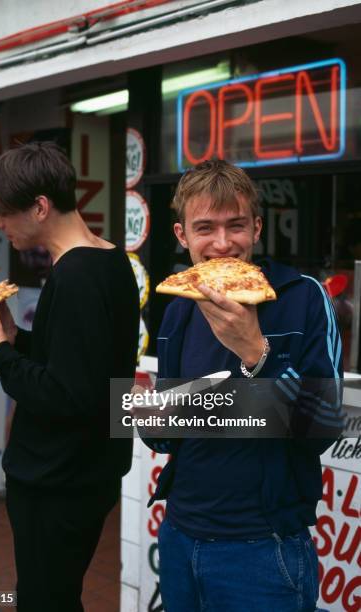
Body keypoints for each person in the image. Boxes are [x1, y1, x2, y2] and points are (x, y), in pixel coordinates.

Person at [142, 160, 343, 612]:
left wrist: (258, 354)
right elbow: (165, 433)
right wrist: (142, 413)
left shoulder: (303, 298)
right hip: (179, 533)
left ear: (256, 227)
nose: (222, 244)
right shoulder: (178, 308)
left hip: (263, 548)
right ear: (181, 236)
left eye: (236, 226)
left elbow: (324, 429)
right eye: (205, 228)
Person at [0, 142, 140, 612]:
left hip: (59, 480)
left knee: (44, 600)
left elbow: (65, 396)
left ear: (40, 206)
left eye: (2, 214)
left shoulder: (74, 276)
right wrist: (18, 341)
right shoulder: (109, 258)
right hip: (89, 470)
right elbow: (89, 368)